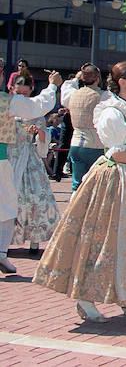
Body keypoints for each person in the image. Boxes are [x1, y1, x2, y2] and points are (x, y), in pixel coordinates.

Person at [33, 62, 126, 322]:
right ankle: (86, 298)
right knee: (104, 240)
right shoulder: (112, 111)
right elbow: (120, 153)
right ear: (122, 81)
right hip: (116, 178)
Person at [0, 69, 60, 274]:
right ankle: (1, 251)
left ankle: (6, 250)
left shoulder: (9, 102)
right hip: (6, 158)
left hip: (18, 157)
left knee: (16, 203)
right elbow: (37, 105)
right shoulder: (7, 102)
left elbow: (37, 111)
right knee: (8, 204)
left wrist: (39, 133)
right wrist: (52, 86)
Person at [61, 65, 109, 191]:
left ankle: (74, 208)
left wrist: (76, 78)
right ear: (98, 79)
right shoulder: (104, 96)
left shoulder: (73, 94)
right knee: (96, 186)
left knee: (77, 185)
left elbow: (66, 88)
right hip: (95, 145)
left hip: (76, 143)